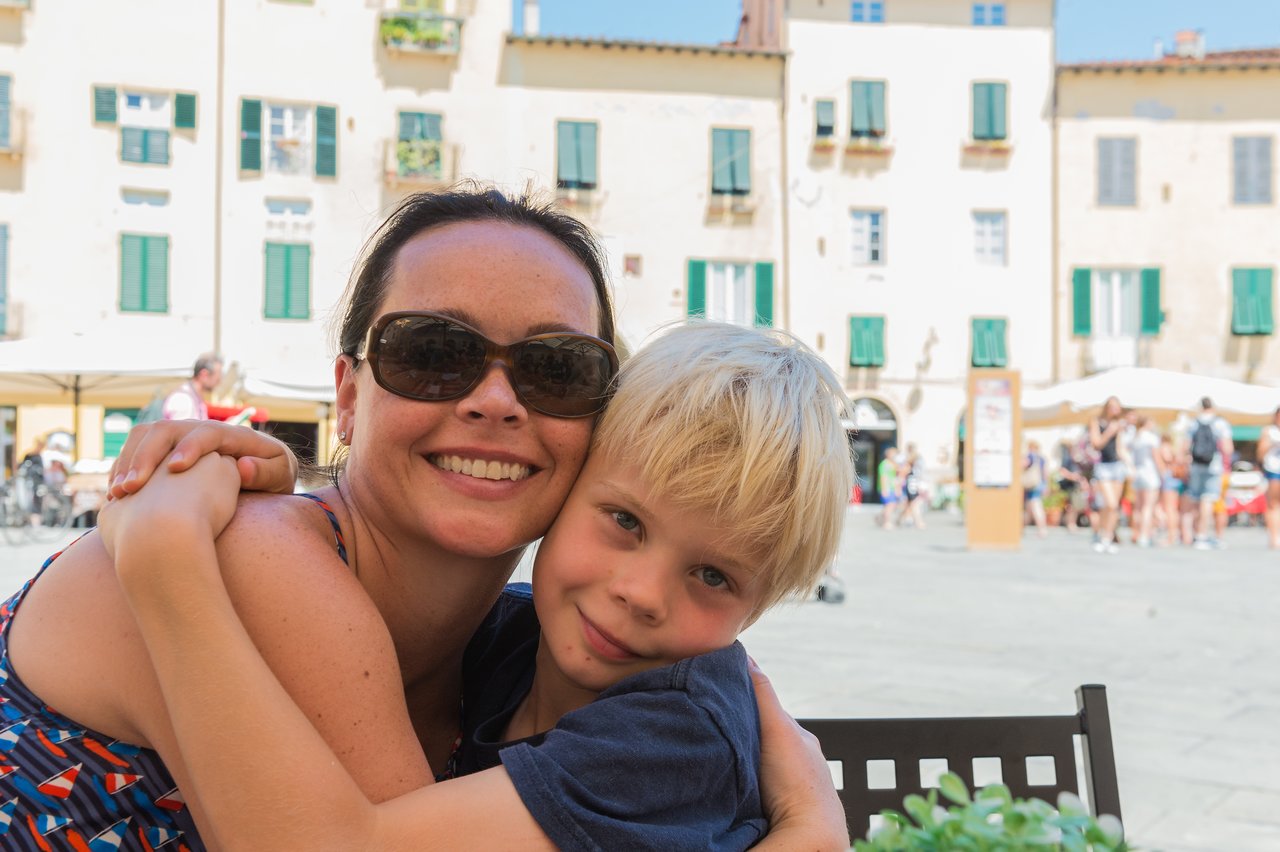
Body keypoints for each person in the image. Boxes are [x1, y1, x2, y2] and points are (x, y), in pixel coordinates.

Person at [0, 187, 838, 850]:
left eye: (555, 367)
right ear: (348, 397)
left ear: (596, 425)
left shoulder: (506, 646)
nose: (495, 400)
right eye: (433, 353)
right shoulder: (257, 554)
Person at [98, 322, 855, 849]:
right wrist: (274, 482)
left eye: (714, 576)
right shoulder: (510, 633)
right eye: (625, 521)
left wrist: (168, 566)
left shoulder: (673, 733)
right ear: (568, 489)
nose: (643, 592)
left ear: (759, 606)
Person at [1186, 396, 1233, 550]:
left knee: (1194, 499)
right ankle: (1202, 535)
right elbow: (1228, 448)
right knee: (1207, 499)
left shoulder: (1193, 422)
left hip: (1196, 465)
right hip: (1214, 466)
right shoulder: (1220, 423)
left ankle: (1190, 534)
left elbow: (1185, 446)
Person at [1088, 396, 1127, 553]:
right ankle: (1102, 533)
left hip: (1117, 466)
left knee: (1113, 506)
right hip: (1103, 466)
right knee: (1109, 504)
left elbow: (1120, 448)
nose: (1115, 410)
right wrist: (1109, 432)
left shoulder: (1119, 424)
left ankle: (1106, 536)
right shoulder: (1097, 422)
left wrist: (1130, 465)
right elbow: (1096, 444)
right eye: (1112, 407)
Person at [1127, 414, 1163, 547]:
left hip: (1138, 473)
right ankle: (1144, 535)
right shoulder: (1151, 438)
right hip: (1150, 473)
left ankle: (1135, 533)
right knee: (1148, 507)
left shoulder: (1134, 437)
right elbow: (1156, 458)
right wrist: (1163, 472)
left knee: (1138, 507)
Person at [161, 352, 224, 421]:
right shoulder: (183, 399)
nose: (219, 381)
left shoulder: (195, 397)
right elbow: (183, 431)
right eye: (217, 376)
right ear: (204, 374)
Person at [1157, 432, 1187, 547]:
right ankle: (1183, 535)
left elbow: (1167, 458)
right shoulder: (1178, 446)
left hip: (1170, 477)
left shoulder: (1165, 446)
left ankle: (1171, 536)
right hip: (1179, 477)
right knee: (1179, 509)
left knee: (1170, 509)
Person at [1257, 406, 1280, 549]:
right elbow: (1260, 454)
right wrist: (1272, 444)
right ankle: (1274, 537)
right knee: (1273, 505)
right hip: (1274, 471)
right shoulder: (1269, 432)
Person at [1055, 436, 1088, 532]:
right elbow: (1062, 470)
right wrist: (1072, 476)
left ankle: (1072, 523)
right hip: (1070, 485)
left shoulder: (1076, 457)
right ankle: (1070, 524)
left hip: (1076, 485)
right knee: (1072, 506)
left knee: (1076, 505)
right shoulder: (1067, 458)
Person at [894, 444, 927, 530]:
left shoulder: (916, 460)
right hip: (911, 484)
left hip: (914, 483)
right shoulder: (907, 461)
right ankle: (918, 522)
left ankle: (898, 520)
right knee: (913, 503)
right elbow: (902, 472)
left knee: (909, 504)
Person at [1022, 440, 1048, 537]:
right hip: (1039, 484)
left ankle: (1042, 529)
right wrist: (1046, 485)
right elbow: (1045, 473)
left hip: (1031, 485)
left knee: (1035, 507)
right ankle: (1021, 528)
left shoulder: (1030, 456)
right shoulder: (1042, 458)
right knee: (1030, 508)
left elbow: (1022, 465)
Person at [876, 445, 899, 528]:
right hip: (887, 488)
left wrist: (897, 488)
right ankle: (887, 523)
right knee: (890, 505)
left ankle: (880, 517)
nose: (895, 456)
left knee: (891, 505)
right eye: (894, 454)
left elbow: (896, 477)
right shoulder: (884, 464)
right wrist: (884, 490)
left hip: (892, 488)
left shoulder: (893, 464)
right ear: (888, 454)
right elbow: (883, 477)